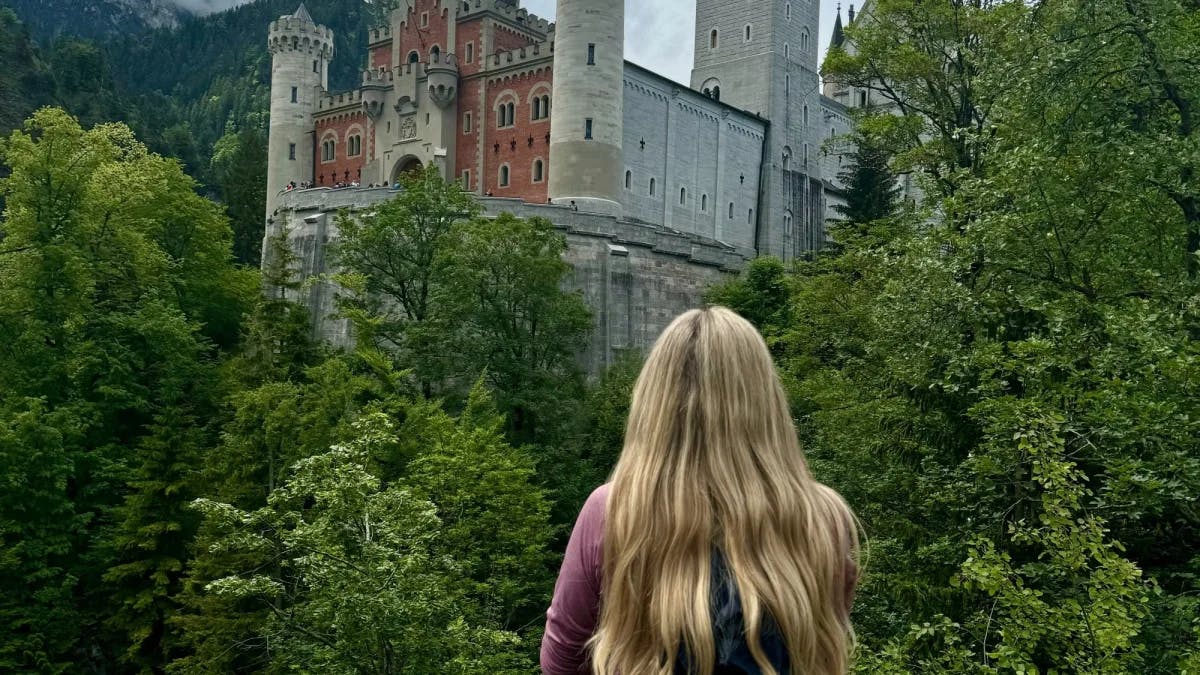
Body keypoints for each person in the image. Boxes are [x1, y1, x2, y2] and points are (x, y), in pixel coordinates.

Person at [541, 307, 860, 675]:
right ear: (766, 402)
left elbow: (561, 661)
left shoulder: (612, 510)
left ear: (655, 405)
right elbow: (821, 649)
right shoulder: (823, 518)